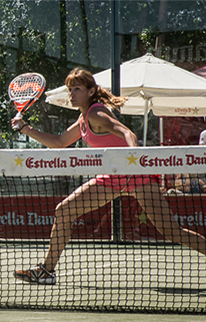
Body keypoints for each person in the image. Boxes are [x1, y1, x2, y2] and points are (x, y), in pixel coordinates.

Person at [11, 68, 206, 285]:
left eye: (77, 89)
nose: (72, 94)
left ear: (91, 91)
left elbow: (127, 133)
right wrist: (26, 129)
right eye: (70, 89)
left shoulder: (96, 113)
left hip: (136, 176)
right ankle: (46, 271)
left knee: (171, 231)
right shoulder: (84, 117)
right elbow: (59, 142)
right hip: (111, 178)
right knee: (64, 211)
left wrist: (136, 161)